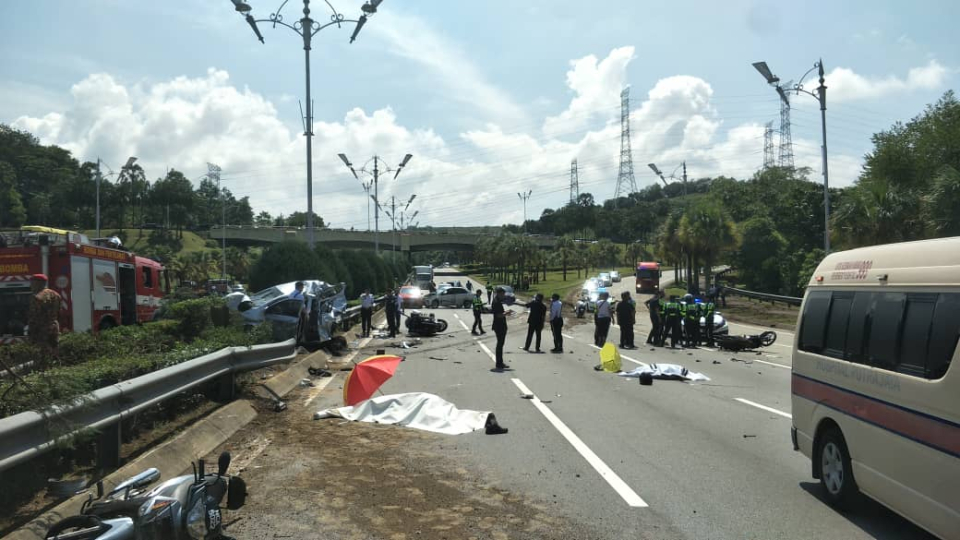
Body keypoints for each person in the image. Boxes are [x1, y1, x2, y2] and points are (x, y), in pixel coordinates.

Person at [28, 274, 61, 352]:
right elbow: (59, 313)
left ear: (39, 283)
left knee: (42, 352)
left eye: (33, 283)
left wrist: (32, 331)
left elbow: (34, 316)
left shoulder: (37, 297)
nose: (31, 286)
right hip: (54, 327)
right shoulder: (56, 295)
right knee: (54, 349)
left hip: (42, 330)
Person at [491, 287, 509, 371]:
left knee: (500, 344)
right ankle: (499, 363)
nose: (503, 295)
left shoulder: (497, 301)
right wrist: (507, 313)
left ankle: (500, 362)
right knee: (500, 344)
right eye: (503, 294)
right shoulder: (496, 302)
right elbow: (498, 315)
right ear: (499, 293)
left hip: (499, 325)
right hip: (499, 326)